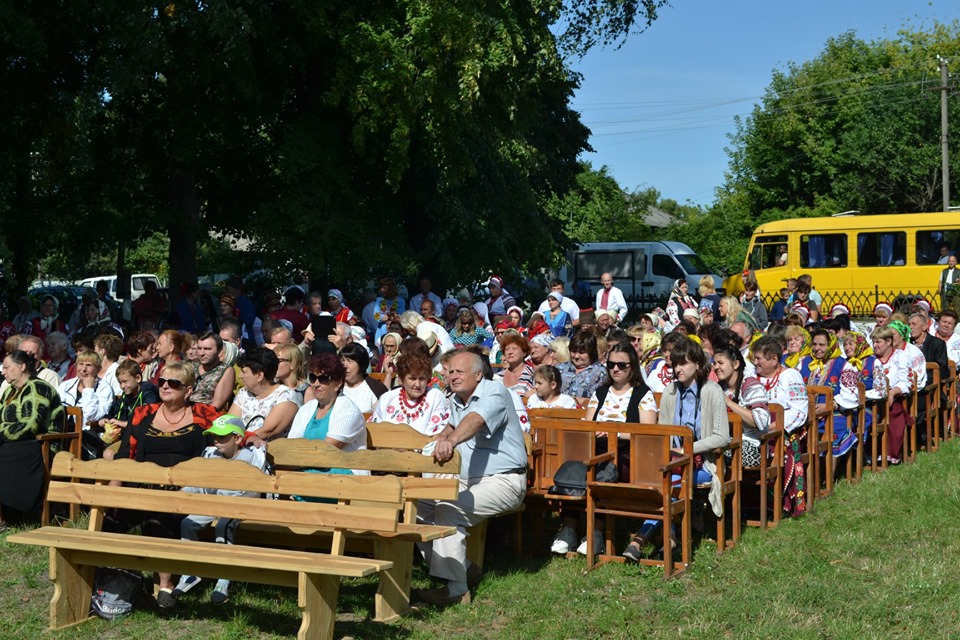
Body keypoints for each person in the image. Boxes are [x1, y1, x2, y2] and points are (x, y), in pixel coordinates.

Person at [413, 351, 527, 606]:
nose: (453, 376)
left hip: (504, 481)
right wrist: (439, 439)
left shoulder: (495, 392)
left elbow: (476, 420)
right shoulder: (456, 399)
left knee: (448, 510)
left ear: (478, 375)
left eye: (459, 371)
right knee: (416, 505)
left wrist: (451, 441)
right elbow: (452, 426)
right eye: (450, 371)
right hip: (468, 480)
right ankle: (464, 568)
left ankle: (456, 590)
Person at [111, 362, 219, 608]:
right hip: (144, 486)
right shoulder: (143, 413)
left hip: (185, 490)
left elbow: (233, 434)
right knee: (112, 516)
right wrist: (112, 490)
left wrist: (252, 436)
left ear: (188, 390)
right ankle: (118, 580)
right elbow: (124, 454)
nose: (166, 386)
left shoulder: (204, 413)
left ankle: (165, 584)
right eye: (162, 382)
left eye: (174, 383)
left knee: (158, 514)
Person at [623, 337, 731, 560]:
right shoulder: (671, 392)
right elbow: (663, 431)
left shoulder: (712, 391)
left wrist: (688, 449)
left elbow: (722, 436)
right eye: (675, 364)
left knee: (668, 482)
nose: (677, 369)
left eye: (683, 363)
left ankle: (640, 539)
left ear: (698, 365)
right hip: (672, 461)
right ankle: (670, 538)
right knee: (661, 478)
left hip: (705, 463)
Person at [557, 342, 656, 556]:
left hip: (628, 454)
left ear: (633, 367)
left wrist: (615, 434)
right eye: (611, 364)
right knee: (577, 466)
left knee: (602, 472)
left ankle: (596, 533)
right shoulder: (600, 392)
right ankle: (569, 528)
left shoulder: (643, 394)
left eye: (622, 365)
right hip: (597, 450)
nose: (616, 369)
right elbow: (587, 424)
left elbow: (647, 433)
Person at [172, 414, 268, 605]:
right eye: (214, 435)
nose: (217, 440)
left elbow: (254, 489)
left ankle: (224, 576)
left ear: (238, 439)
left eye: (223, 437)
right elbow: (200, 482)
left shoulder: (249, 458)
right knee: (188, 523)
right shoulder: (211, 455)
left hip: (239, 506)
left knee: (223, 526)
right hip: (212, 503)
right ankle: (191, 571)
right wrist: (185, 491)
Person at [0, 349, 66, 530]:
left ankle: (12, 512)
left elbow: (30, 425)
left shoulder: (38, 388)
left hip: (41, 445)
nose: (2, 371)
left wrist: (1, 433)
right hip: (16, 443)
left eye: (6, 367)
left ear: (21, 366)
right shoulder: (10, 391)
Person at [751, 335, 808, 517]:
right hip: (755, 429)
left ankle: (783, 502)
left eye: (759, 358)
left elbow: (799, 411)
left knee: (785, 448)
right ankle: (750, 504)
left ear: (774, 359)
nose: (755, 362)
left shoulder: (790, 376)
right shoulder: (752, 378)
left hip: (786, 431)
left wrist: (773, 427)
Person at [287, 352, 368, 455]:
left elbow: (326, 450)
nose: (316, 384)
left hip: (340, 468)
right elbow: (292, 444)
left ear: (338, 384)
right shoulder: (306, 409)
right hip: (306, 466)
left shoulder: (349, 412)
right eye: (313, 378)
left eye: (323, 379)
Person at [804, 329, 860, 459]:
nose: (817, 348)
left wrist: (830, 405)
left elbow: (851, 395)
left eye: (822, 345)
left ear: (831, 345)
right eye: (814, 344)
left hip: (834, 412)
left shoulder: (843, 365)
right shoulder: (804, 363)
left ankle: (828, 475)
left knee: (835, 429)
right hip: (806, 412)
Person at [713, 344, 770, 468]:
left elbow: (759, 422)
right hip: (727, 442)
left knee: (714, 452)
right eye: (714, 363)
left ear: (736, 364)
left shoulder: (750, 385)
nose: (716, 367)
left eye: (720, 363)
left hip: (754, 446)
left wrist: (728, 402)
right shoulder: (719, 387)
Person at [228, 347, 301, 443]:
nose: (240, 376)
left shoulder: (285, 396)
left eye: (244, 372)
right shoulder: (244, 393)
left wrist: (234, 443)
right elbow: (229, 423)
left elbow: (267, 431)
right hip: (236, 449)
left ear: (259, 376)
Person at [369, 352, 450, 435]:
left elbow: (435, 434)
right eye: (412, 378)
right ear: (402, 378)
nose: (418, 384)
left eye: (422, 379)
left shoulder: (435, 397)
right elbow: (375, 429)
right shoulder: (387, 398)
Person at [99, 359, 160, 444]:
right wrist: (105, 419)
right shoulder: (126, 396)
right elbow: (113, 412)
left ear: (138, 378)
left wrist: (122, 423)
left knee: (108, 453)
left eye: (125, 382)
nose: (122, 386)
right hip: (123, 436)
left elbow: (147, 421)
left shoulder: (149, 395)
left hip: (142, 439)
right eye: (120, 382)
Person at [57, 350, 113, 429]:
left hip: (87, 434)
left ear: (98, 369)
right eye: (81, 364)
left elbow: (92, 416)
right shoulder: (65, 385)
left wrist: (89, 390)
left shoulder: (104, 389)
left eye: (89, 365)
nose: (83, 369)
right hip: (62, 431)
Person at [556, 330, 608, 406]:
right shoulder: (559, 368)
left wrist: (576, 401)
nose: (576, 356)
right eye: (573, 351)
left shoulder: (602, 373)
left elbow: (602, 400)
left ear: (591, 352)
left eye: (582, 352)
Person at [189, 332, 236, 411]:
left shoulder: (225, 371)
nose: (201, 353)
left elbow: (216, 406)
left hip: (204, 417)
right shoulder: (191, 367)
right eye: (199, 348)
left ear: (220, 352)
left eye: (207, 349)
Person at [339, 342, 388, 413]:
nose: (345, 366)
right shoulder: (335, 387)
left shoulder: (376, 388)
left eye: (350, 361)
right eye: (342, 361)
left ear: (361, 364)